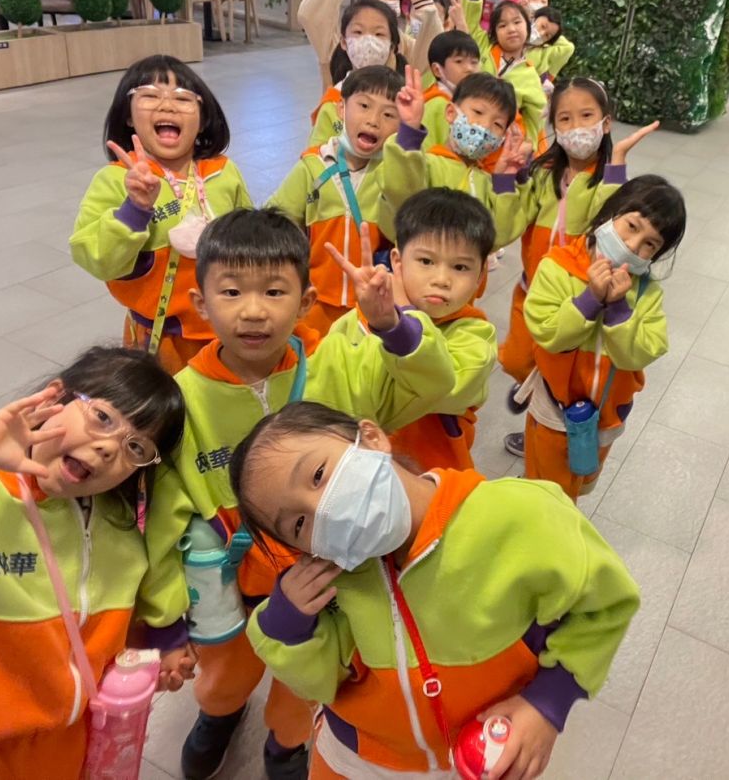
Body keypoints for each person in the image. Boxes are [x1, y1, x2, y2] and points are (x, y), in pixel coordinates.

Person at [137, 208, 456, 780]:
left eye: (274, 291)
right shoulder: (182, 400)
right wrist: (164, 622)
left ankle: (287, 743)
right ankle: (220, 714)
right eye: (231, 291)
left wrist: (392, 327)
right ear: (200, 302)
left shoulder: (337, 364)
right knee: (225, 674)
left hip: (331, 572)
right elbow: (164, 520)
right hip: (233, 583)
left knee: (310, 674)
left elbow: (434, 384)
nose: (253, 310)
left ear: (306, 301)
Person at [232, 401, 641, 779]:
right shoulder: (332, 583)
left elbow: (604, 605)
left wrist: (548, 703)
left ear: (371, 437)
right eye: (298, 524)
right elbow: (321, 684)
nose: (321, 509)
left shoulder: (519, 515)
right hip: (356, 757)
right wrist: (288, 626)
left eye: (318, 475)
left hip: (485, 751)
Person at [0, 348, 187, 779]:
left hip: (72, 737)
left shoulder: (120, 529)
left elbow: (94, 632)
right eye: (102, 417)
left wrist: (149, 657)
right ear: (56, 398)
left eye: (136, 446)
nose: (109, 447)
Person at [499, 79, 658, 459]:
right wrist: (507, 178)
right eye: (565, 119)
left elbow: (608, 224)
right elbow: (507, 227)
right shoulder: (544, 174)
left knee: (558, 378)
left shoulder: (607, 180)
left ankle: (538, 428)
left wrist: (617, 164)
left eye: (586, 116)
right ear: (553, 125)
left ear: (606, 122)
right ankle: (530, 388)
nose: (576, 127)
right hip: (532, 289)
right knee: (516, 359)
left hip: (578, 302)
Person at [71, 55, 251, 375]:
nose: (167, 105)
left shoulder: (224, 172)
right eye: (150, 95)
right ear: (128, 116)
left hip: (228, 329)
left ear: (203, 119)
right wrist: (135, 209)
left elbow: (251, 239)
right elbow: (97, 258)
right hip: (159, 338)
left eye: (183, 98)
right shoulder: (115, 179)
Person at [522, 176, 685, 499]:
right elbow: (547, 333)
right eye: (631, 226)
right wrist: (589, 301)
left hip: (606, 414)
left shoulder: (647, 293)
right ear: (610, 214)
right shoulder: (558, 267)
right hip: (555, 407)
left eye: (650, 244)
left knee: (579, 480)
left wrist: (619, 310)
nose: (633, 246)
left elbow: (643, 352)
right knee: (547, 489)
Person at [328, 188, 497, 472]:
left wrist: (399, 322)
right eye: (426, 261)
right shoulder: (358, 319)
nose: (441, 279)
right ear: (397, 261)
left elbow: (441, 388)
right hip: (354, 468)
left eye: (460, 267)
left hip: (431, 478)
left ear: (480, 276)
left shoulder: (476, 336)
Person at [270, 66, 403, 336]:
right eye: (364, 106)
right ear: (341, 108)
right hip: (313, 300)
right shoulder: (313, 166)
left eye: (389, 114)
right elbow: (276, 220)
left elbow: (406, 229)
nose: (373, 120)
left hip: (372, 304)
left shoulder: (393, 173)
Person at [376, 66, 534, 267]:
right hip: (414, 279)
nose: (485, 126)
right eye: (478, 112)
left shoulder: (487, 184)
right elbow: (400, 195)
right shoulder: (425, 165)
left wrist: (506, 179)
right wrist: (409, 131)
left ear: (502, 138)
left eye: (497, 124)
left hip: (465, 286)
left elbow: (499, 237)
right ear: (451, 113)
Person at [298, 0, 442, 90]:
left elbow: (432, 51)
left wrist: (428, 13)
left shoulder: (404, 44)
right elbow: (311, 16)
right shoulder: (341, 37)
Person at [307, 0, 407, 150]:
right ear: (344, 42)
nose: (368, 40)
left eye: (379, 34)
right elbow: (314, 153)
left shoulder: (404, 99)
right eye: (358, 32)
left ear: (392, 46)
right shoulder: (333, 101)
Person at [464, 0, 549, 146]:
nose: (511, 29)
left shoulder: (530, 76)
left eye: (517, 22)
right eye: (502, 25)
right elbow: (469, 22)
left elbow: (535, 119)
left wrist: (527, 145)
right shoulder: (483, 47)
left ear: (528, 27)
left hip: (501, 146)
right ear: (494, 33)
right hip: (467, 129)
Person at [421, 29, 481, 148]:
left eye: (474, 62)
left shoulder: (462, 101)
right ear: (437, 70)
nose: (469, 68)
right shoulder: (437, 104)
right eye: (459, 61)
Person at [527, 5, 575, 82]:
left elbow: (568, 47)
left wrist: (555, 36)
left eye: (547, 35)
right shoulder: (512, 32)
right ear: (533, 18)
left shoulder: (542, 54)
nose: (541, 34)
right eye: (543, 26)